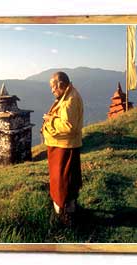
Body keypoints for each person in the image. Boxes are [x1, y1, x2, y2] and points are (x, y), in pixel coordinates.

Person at [41, 71, 84, 225]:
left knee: (62, 180)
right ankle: (68, 208)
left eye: (53, 87)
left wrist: (50, 120)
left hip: (64, 147)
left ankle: (63, 214)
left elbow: (69, 126)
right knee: (66, 178)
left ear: (60, 85)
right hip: (61, 146)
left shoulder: (69, 101)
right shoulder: (67, 96)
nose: (52, 90)